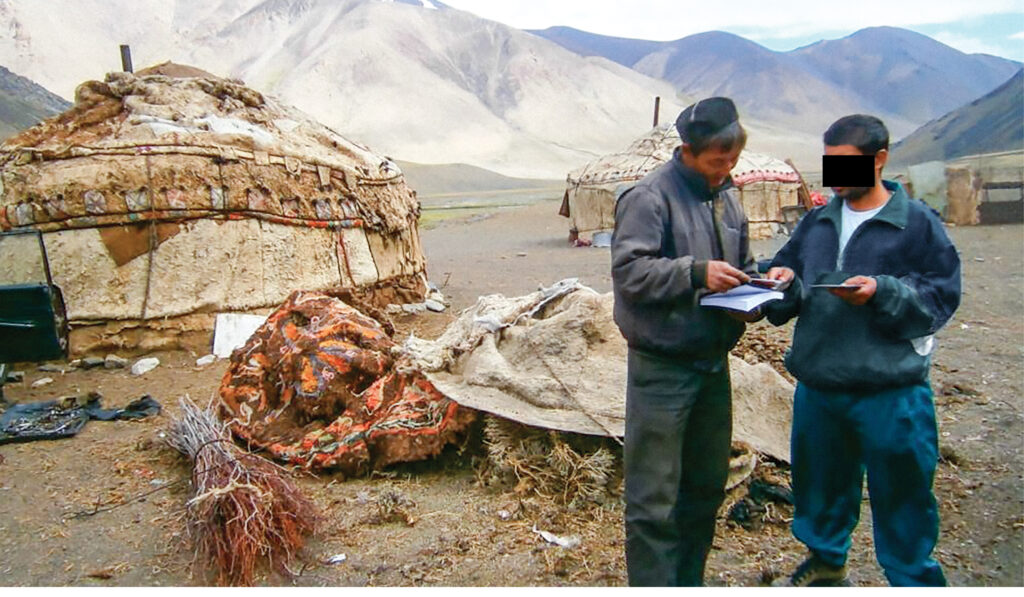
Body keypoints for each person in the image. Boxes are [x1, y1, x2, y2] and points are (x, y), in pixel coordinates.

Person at [763, 114, 961, 587]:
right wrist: (781, 280)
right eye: (829, 164)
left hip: (890, 389)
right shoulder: (818, 221)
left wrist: (881, 292)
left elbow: (940, 296)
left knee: (904, 497)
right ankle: (827, 565)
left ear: (880, 160)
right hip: (821, 385)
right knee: (820, 489)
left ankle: (912, 579)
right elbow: (789, 273)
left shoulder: (916, 223)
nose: (835, 178)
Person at [611, 97, 759, 586]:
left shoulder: (728, 197)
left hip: (713, 365)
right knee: (653, 499)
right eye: (717, 161)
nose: (726, 170)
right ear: (688, 152)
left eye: (733, 160)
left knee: (704, 488)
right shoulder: (648, 197)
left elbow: (743, 264)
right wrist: (694, 273)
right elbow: (630, 272)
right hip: (662, 369)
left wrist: (762, 286)